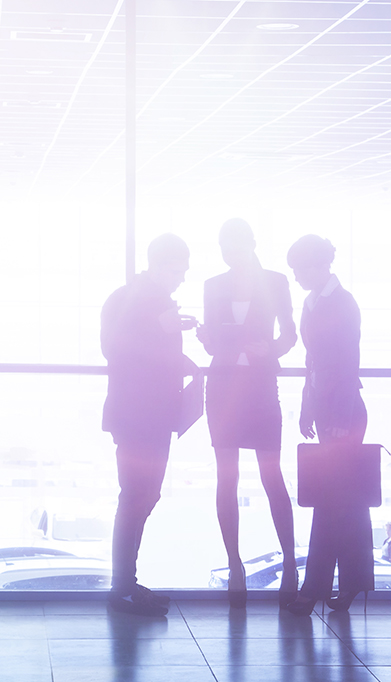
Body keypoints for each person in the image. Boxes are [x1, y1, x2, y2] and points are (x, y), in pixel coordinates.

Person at [197, 218, 298, 608]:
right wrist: (206, 338)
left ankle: (290, 563)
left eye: (234, 248)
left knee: (273, 476)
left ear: (251, 245)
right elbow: (213, 345)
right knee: (227, 480)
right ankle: (234, 566)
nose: (229, 256)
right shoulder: (212, 286)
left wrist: (270, 349)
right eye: (224, 249)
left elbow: (290, 334)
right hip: (221, 389)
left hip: (259, 389)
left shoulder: (275, 282)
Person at [101, 234, 197, 617]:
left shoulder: (148, 302)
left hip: (151, 416)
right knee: (136, 497)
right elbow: (115, 349)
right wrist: (163, 327)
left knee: (144, 495)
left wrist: (179, 352)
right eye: (176, 271)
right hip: (138, 416)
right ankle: (122, 587)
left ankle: (126, 583)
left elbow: (149, 354)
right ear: (156, 267)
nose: (181, 279)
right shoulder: (128, 300)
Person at [283, 235, 372, 615]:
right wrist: (308, 408)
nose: (298, 276)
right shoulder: (312, 303)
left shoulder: (342, 303)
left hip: (345, 414)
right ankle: (349, 585)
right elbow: (313, 361)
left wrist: (338, 416)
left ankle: (314, 589)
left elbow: (348, 363)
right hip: (326, 413)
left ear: (321, 266)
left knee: (333, 503)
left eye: (302, 269)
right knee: (345, 503)